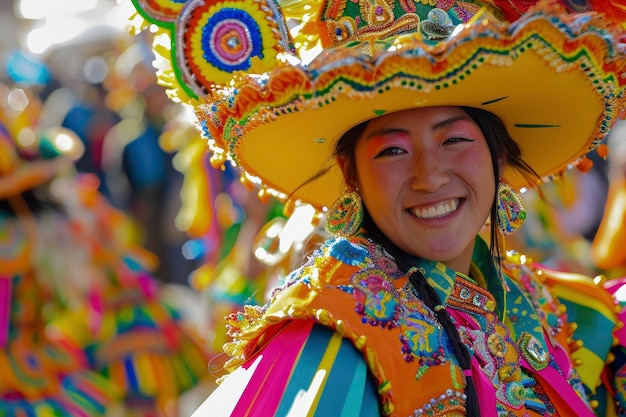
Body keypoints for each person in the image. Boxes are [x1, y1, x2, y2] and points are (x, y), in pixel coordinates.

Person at [127, 0, 626, 415]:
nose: (430, 176)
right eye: (392, 150)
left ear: (498, 156)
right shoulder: (333, 337)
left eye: (454, 139)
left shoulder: (545, 305)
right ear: (352, 177)